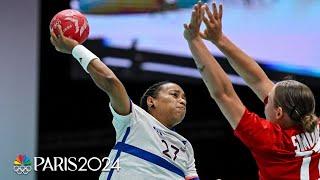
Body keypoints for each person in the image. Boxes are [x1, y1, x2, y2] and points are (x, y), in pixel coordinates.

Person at [184, 2, 319, 180]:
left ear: (279, 112)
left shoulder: (270, 140)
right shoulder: (314, 125)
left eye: (268, 98)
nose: (265, 95)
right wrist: (219, 39)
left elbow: (224, 94)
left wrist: (194, 41)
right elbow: (258, 80)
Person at [50, 26, 200, 180]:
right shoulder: (134, 118)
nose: (182, 100)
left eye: (184, 98)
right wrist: (75, 48)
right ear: (151, 101)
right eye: (175, 95)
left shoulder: (186, 146)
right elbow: (110, 81)